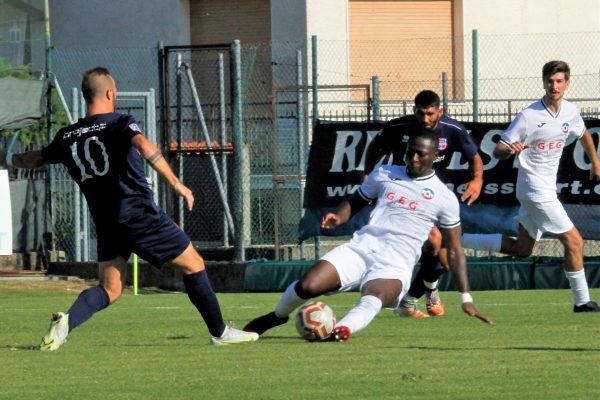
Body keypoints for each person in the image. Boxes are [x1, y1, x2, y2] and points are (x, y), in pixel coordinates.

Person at [0, 67, 259, 349]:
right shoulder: (120, 123)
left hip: (107, 223)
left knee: (110, 289)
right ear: (110, 93)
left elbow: (33, 159)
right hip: (139, 215)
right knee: (194, 264)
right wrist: (177, 184)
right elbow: (144, 145)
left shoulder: (67, 137)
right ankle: (220, 332)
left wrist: (7, 159)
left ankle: (66, 323)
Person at [243, 129, 492, 342]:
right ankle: (275, 317)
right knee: (308, 285)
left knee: (375, 296)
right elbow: (357, 200)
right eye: (410, 151)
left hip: (395, 263)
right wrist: (340, 216)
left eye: (421, 154)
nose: (413, 157)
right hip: (361, 248)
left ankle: (342, 330)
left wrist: (465, 297)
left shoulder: (443, 197)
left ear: (435, 157)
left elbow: (456, 249)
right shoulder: (385, 173)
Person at [462, 60, 600, 312]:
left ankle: (454, 239)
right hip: (534, 190)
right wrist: (509, 149)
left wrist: (596, 163)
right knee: (575, 241)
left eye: (559, 81)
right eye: (550, 81)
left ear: (567, 84)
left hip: (541, 189)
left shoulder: (570, 111)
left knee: (522, 249)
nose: (554, 86)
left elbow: (583, 134)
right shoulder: (528, 116)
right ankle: (582, 301)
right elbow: (499, 149)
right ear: (544, 82)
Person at [365, 90, 483, 318]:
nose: (426, 119)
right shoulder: (398, 128)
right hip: (406, 195)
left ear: (440, 111)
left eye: (430, 114)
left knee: (444, 261)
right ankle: (417, 294)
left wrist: (477, 179)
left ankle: (414, 298)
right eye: (421, 113)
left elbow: (474, 156)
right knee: (434, 240)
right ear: (414, 111)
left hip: (436, 196)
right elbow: (375, 147)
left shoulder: (453, 129)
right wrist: (366, 174)